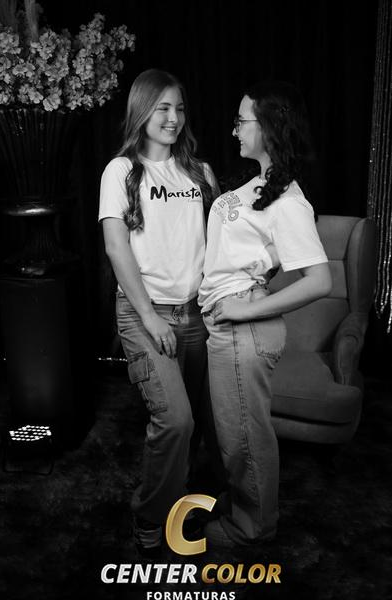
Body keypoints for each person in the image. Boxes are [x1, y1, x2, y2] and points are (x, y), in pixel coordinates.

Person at [198, 80, 332, 548]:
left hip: (244, 331)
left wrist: (242, 310)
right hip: (230, 327)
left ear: (269, 126)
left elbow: (319, 281)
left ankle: (251, 530)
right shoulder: (259, 185)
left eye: (242, 121)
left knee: (245, 439)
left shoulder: (289, 201)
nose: (235, 130)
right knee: (233, 434)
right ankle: (244, 507)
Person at [98, 68, 220, 556]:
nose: (173, 118)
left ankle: (178, 504)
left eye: (180, 108)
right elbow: (115, 246)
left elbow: (216, 247)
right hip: (145, 313)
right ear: (142, 110)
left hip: (197, 313)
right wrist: (150, 317)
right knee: (175, 421)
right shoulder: (122, 171)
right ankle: (149, 519)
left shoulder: (200, 173)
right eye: (163, 108)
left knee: (199, 425)